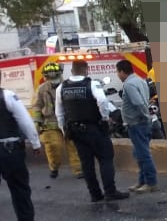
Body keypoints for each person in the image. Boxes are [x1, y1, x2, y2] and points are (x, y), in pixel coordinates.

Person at [55, 61, 129, 202]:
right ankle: (110, 192)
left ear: (72, 71)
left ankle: (95, 194)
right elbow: (102, 101)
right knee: (105, 159)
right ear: (86, 70)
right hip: (95, 128)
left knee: (86, 163)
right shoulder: (92, 84)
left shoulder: (61, 88)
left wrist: (64, 130)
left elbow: (59, 113)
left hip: (75, 131)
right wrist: (105, 117)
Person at [0, 86, 44, 221]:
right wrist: (35, 143)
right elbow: (25, 121)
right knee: (19, 188)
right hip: (9, 149)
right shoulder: (7, 96)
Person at [31, 62, 84, 180]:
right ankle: (54, 166)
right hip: (50, 124)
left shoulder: (67, 86)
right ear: (46, 77)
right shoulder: (42, 89)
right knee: (54, 146)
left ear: (60, 74)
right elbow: (37, 106)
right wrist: (37, 122)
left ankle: (78, 170)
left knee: (74, 146)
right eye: (50, 77)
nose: (53, 80)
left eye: (55, 76)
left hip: (68, 122)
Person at [116, 60, 159, 192]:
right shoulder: (140, 80)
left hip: (137, 124)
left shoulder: (129, 84)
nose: (118, 75)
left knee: (143, 154)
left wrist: (145, 116)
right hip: (142, 123)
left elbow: (139, 103)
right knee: (139, 154)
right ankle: (142, 181)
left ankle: (151, 182)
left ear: (122, 71)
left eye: (118, 72)